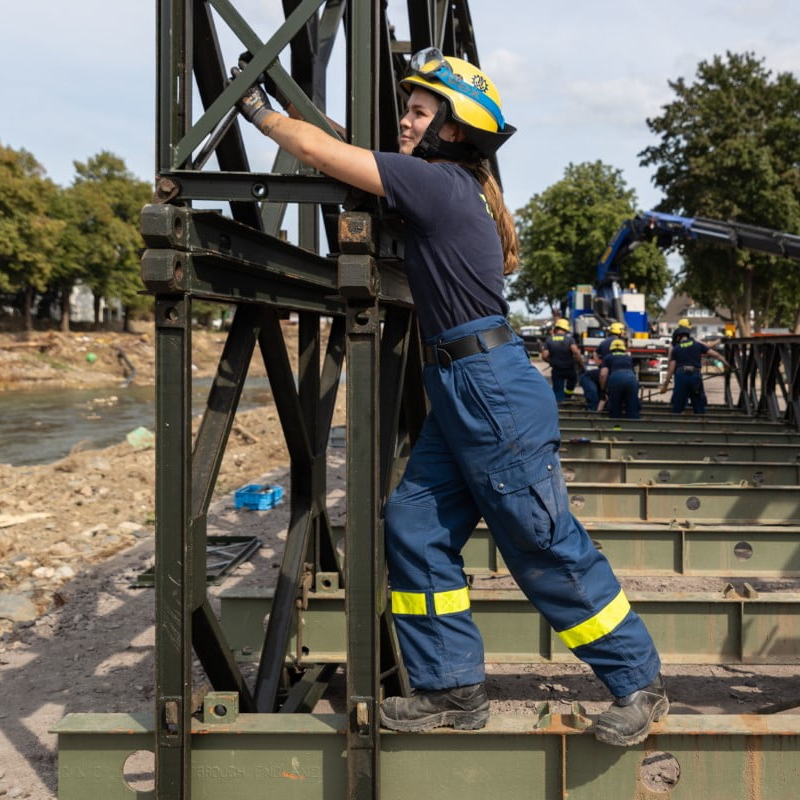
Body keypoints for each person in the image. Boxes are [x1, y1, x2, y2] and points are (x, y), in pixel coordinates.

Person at [232, 48, 666, 746]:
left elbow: (321, 152)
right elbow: (351, 159)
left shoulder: (437, 182)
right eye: (407, 111)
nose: (404, 121)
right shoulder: (440, 183)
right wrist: (297, 112)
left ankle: (638, 681)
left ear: (453, 128)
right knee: (413, 525)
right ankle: (452, 688)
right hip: (463, 385)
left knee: (541, 542)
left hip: (488, 390)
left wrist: (259, 112)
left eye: (417, 112)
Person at [661, 324, 712, 414]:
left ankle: (677, 414)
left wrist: (666, 384)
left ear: (678, 337)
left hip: (681, 375)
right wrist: (726, 362)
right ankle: (700, 416)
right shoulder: (696, 343)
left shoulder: (676, 347)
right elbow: (713, 351)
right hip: (695, 374)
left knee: (678, 401)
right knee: (698, 402)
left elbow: (671, 366)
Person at [540, 318, 585, 403]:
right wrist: (581, 364)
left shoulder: (549, 340)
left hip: (557, 369)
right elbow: (576, 352)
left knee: (558, 390)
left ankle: (559, 405)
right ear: (566, 329)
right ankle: (568, 397)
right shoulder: (570, 340)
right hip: (570, 368)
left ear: (556, 328)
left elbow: (544, 356)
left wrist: (551, 362)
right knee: (572, 382)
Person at [600, 338, 640, 419]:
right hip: (631, 379)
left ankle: (616, 425)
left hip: (616, 379)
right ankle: (634, 425)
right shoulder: (628, 358)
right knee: (633, 407)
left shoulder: (608, 357)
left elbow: (603, 374)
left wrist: (603, 390)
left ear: (611, 348)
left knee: (615, 408)